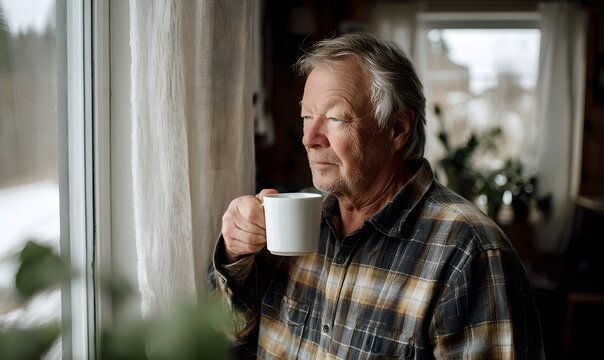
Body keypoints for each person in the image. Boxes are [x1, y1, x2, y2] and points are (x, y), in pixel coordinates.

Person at [209, 32, 544, 359]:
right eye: (307, 118)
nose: (309, 138)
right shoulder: (290, 220)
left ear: (397, 129)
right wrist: (236, 254)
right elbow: (230, 334)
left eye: (336, 118)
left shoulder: (470, 252)